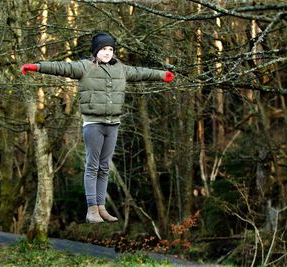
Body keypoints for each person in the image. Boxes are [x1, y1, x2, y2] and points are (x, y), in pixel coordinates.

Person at [21, 32, 174, 223]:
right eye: (104, 49)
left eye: (111, 49)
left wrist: (162, 75)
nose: (108, 52)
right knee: (92, 166)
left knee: (104, 167)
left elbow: (142, 72)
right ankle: (91, 209)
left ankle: (101, 207)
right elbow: (61, 67)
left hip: (113, 123)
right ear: (96, 51)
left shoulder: (121, 69)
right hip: (93, 123)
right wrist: (37, 66)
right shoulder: (85, 67)